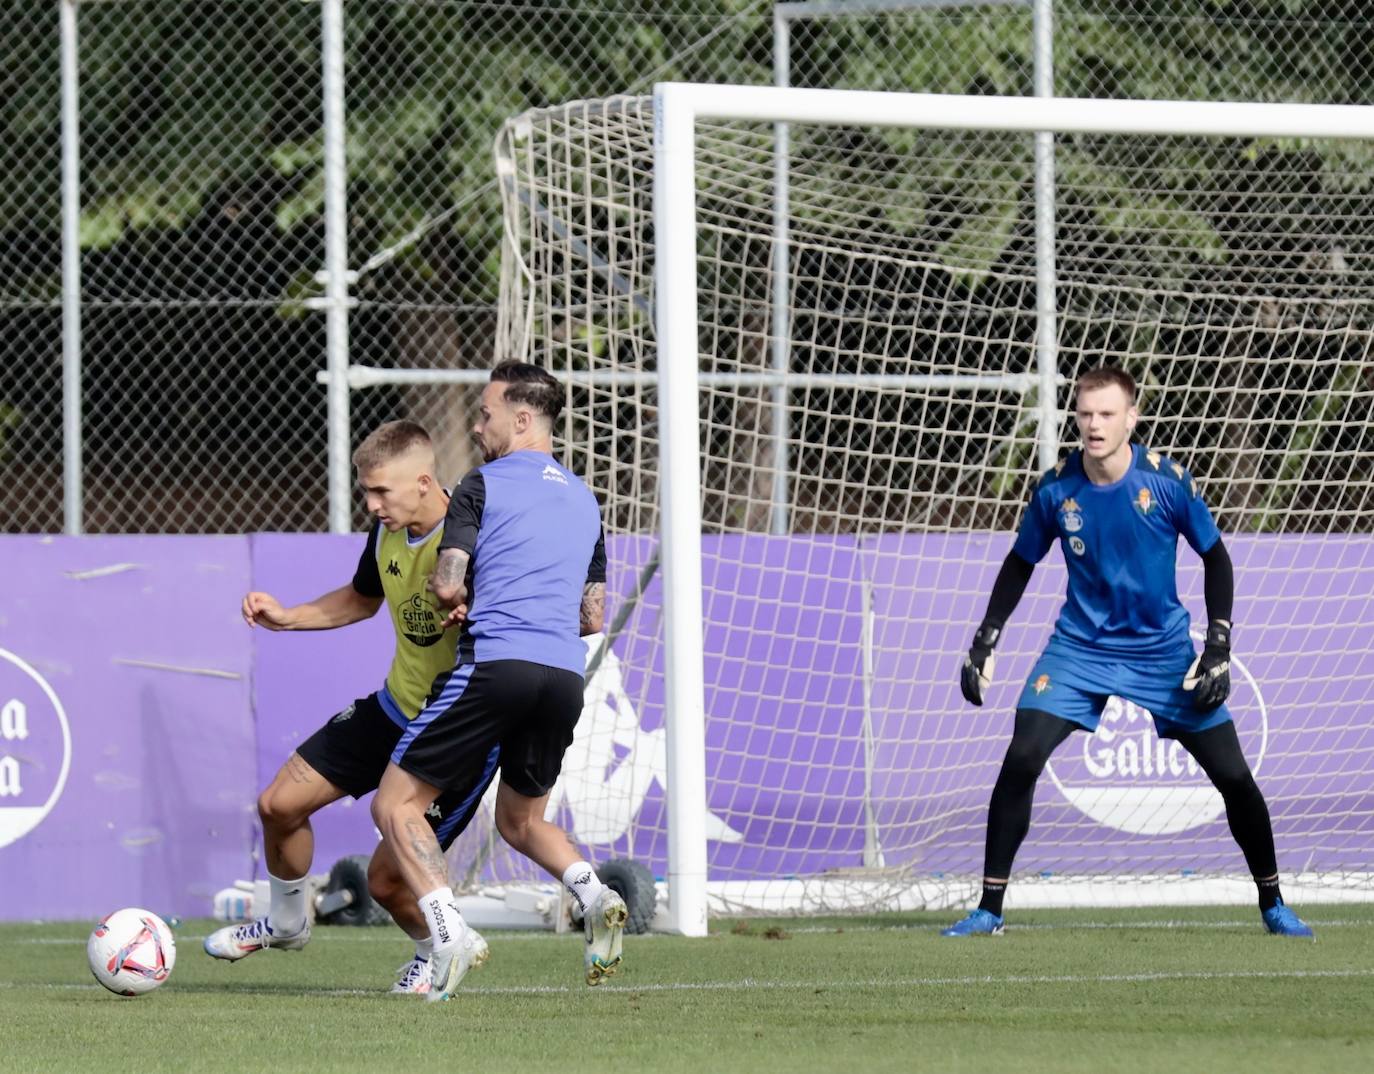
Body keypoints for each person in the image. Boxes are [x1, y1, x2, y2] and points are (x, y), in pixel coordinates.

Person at [944, 366, 1313, 939]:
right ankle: (989, 909)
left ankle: (1273, 903)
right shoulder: (1056, 488)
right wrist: (986, 636)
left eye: (1107, 414)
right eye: (1086, 414)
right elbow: (1021, 562)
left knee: (1235, 777)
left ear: (1131, 419)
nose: (1094, 425)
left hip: (1162, 654)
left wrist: (1217, 646)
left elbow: (1216, 558)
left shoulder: (1166, 483)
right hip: (1079, 650)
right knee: (1021, 758)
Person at [203, 420, 496, 993]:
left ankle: (430, 951)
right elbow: (361, 600)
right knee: (278, 805)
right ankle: (288, 922)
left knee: (386, 882)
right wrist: (288, 617)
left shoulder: (477, 535)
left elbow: (514, 622)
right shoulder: (387, 533)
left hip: (453, 733)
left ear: (424, 481)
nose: (371, 503)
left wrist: (477, 617)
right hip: (394, 710)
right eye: (366, 491)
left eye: (381, 491)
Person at [370, 360, 626, 1003]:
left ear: (521, 418)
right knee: (521, 821)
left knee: (394, 804)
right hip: (564, 676)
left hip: (496, 665)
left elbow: (450, 581)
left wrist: (458, 593)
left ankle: (447, 934)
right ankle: (595, 896)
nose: (477, 425)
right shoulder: (584, 498)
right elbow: (592, 616)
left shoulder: (479, 486)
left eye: (485, 414)